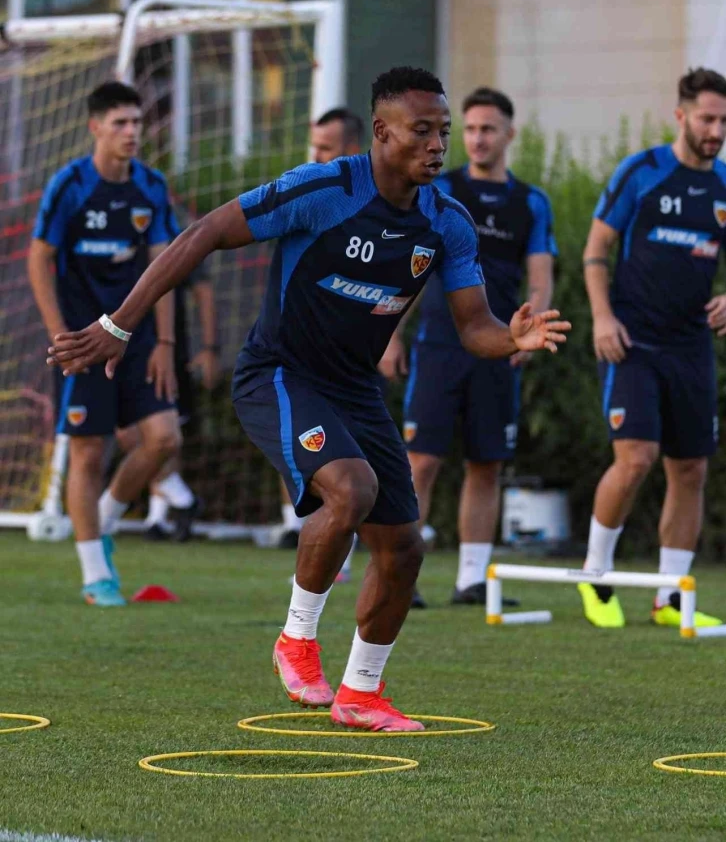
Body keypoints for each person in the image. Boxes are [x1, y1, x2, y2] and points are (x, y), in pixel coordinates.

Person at [47, 67, 570, 730]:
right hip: (279, 374)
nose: (438, 144)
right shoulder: (322, 190)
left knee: (404, 549)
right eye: (422, 130)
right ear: (381, 132)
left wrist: (512, 337)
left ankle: (360, 693)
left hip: (354, 389)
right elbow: (203, 233)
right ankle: (295, 639)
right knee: (350, 490)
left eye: (443, 131)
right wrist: (119, 325)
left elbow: (474, 327)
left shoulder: (447, 221)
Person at [380, 87, 556, 607]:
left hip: (498, 346)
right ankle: (400, 577)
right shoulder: (439, 190)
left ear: (509, 134)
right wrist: (392, 333)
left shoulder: (531, 203)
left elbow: (540, 278)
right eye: (470, 129)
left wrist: (530, 329)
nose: (478, 139)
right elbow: (409, 267)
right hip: (439, 346)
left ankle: (472, 580)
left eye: (488, 129)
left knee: (488, 462)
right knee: (421, 461)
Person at [578, 67, 726, 629]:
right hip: (631, 341)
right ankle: (596, 575)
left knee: (690, 469)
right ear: (681, 116)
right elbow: (596, 249)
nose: (716, 131)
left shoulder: (724, 185)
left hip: (691, 346)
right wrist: (601, 318)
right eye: (707, 119)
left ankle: (671, 599)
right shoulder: (641, 171)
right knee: (636, 459)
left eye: (724, 122)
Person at [29, 81, 182, 606]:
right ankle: (96, 576)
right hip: (82, 339)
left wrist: (166, 341)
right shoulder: (70, 184)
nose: (131, 132)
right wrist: (59, 334)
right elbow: (39, 258)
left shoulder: (151, 186)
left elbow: (166, 264)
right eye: (120, 122)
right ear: (96, 127)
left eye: (137, 122)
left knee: (164, 439)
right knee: (89, 450)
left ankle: (105, 519)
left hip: (136, 336)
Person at [278, 106, 366, 550]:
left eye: (325, 149)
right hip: (292, 363)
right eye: (313, 147)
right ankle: (296, 527)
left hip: (352, 366)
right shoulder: (303, 194)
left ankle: (346, 544)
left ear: (353, 149)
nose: (315, 157)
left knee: (357, 474)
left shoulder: (383, 209)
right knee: (313, 458)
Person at [116, 255, 220, 542]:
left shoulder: (172, 237)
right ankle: (183, 499)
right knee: (129, 434)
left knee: (164, 436)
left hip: (165, 352)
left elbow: (203, 290)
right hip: (122, 347)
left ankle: (158, 518)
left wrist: (210, 348)